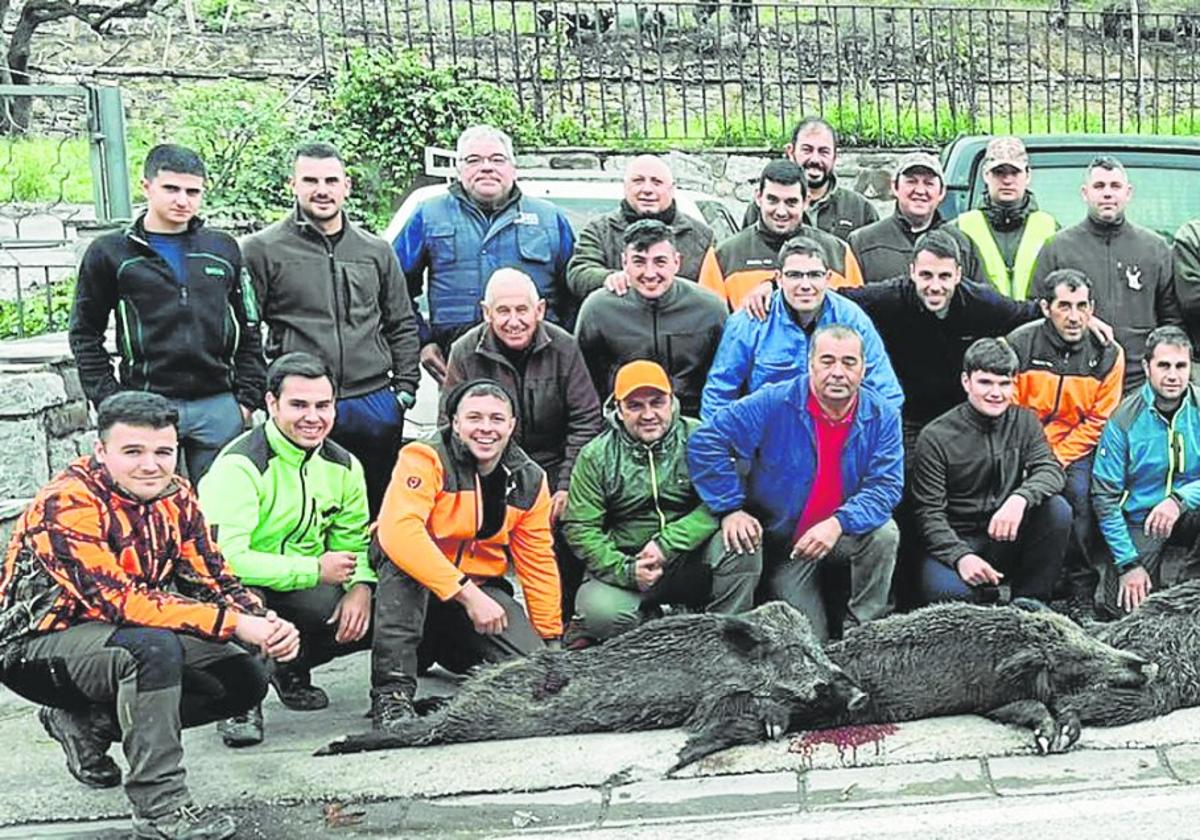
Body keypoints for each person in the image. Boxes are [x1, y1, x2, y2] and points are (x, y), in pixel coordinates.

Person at [0, 392, 299, 840]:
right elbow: (118, 601)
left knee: (245, 675)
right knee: (150, 649)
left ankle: (86, 723)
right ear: (102, 452)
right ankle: (160, 810)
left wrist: (264, 623)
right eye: (133, 452)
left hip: (121, 636)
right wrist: (235, 622)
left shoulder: (176, 494)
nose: (151, 465)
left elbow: (212, 577)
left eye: (163, 452)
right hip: (37, 646)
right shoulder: (66, 503)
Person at [198, 353, 375, 747]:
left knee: (374, 612)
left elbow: (355, 543)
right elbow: (225, 560)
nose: (312, 417)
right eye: (298, 405)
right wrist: (313, 569)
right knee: (244, 604)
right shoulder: (239, 466)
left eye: (322, 405)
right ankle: (239, 701)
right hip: (240, 584)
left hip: (301, 582)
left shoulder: (345, 466)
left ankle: (290, 667)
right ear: (271, 404)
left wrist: (361, 586)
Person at [689, 325, 903, 642]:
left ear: (863, 368)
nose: (838, 372)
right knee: (809, 643)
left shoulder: (882, 415)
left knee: (885, 532)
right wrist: (730, 507)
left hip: (841, 535)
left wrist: (838, 523)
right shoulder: (775, 402)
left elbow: (885, 487)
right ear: (810, 363)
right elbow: (705, 442)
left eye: (848, 362)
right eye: (827, 361)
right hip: (789, 546)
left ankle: (865, 632)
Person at [241, 141, 422, 516]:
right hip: (302, 400)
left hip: (371, 399)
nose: (321, 190)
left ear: (346, 186)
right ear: (292, 184)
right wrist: (263, 392)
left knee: (375, 507)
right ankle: (307, 572)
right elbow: (245, 329)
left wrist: (403, 390)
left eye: (330, 180)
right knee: (303, 505)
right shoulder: (262, 249)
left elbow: (401, 321)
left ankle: (369, 573)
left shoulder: (376, 251)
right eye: (310, 180)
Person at [369, 379, 562, 731]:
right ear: (455, 423)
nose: (485, 428)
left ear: (511, 426)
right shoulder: (424, 457)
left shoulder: (530, 478)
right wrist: (466, 593)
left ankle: (444, 651)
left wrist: (551, 641)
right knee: (402, 563)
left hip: (476, 590)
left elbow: (538, 561)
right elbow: (398, 532)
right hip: (413, 590)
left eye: (496, 419)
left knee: (536, 674)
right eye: (474, 418)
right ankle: (392, 695)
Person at [69, 144, 266, 483]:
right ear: (146, 187)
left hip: (218, 404)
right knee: (147, 511)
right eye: (171, 189)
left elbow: (249, 322)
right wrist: (110, 400)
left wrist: (246, 398)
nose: (182, 200)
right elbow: (85, 333)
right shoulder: (110, 253)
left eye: (193, 191)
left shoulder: (222, 248)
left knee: (220, 512)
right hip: (146, 403)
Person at [561, 361, 761, 642]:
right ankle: (657, 628)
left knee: (742, 540)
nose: (648, 414)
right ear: (618, 409)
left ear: (672, 401)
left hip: (692, 557)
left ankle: (726, 639)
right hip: (630, 560)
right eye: (635, 406)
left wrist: (667, 543)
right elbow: (580, 527)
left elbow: (721, 498)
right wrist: (626, 570)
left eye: (657, 402)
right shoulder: (595, 456)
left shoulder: (700, 437)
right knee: (601, 614)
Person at [441, 269, 604, 614]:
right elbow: (450, 426)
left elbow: (586, 418)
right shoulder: (464, 352)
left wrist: (566, 485)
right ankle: (471, 606)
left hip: (553, 463)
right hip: (486, 465)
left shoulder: (565, 347)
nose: (513, 321)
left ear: (540, 310)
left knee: (568, 523)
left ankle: (562, 615)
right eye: (502, 311)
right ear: (486, 312)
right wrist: (477, 483)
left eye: (522, 310)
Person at [394, 124, 576, 385]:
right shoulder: (428, 215)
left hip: (539, 368)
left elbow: (573, 292)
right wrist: (422, 342)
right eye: (474, 160)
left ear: (513, 168)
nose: (486, 167)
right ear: (459, 169)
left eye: (497, 159)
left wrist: (562, 347)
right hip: (458, 365)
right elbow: (393, 288)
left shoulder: (549, 218)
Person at [841, 229, 1040, 450]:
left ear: (958, 274)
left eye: (944, 276)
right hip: (906, 418)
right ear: (912, 272)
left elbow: (1032, 313)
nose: (935, 287)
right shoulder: (888, 299)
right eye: (926, 275)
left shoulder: (981, 303)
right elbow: (837, 301)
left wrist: (1083, 320)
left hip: (962, 416)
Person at [911, 338, 1070, 606]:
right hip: (958, 539)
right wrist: (960, 556)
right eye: (985, 382)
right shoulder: (935, 437)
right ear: (966, 382)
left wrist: (1019, 499)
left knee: (1057, 509)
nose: (996, 393)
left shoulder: (1025, 421)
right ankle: (983, 596)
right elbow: (928, 514)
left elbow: (1051, 470)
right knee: (947, 596)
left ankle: (1031, 604)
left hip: (1007, 534)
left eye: (1004, 383)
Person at [1008, 269, 1124, 612]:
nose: (1074, 317)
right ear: (1046, 308)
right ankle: (1023, 584)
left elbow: (1100, 419)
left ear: (1092, 308)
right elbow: (1009, 407)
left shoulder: (1107, 353)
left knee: (1078, 495)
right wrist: (1037, 456)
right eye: (1064, 306)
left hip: (1077, 447)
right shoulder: (1020, 343)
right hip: (1023, 445)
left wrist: (1058, 458)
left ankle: (1081, 590)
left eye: (1082, 306)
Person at [701, 235, 901, 421]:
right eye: (795, 275)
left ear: (828, 278)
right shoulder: (751, 320)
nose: (805, 285)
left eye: (814, 275)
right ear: (778, 279)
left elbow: (886, 392)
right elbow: (720, 392)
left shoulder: (852, 319)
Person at [1032, 155, 1182, 392]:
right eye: (1099, 186)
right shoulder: (1057, 248)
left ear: (1128, 193)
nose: (1108, 193)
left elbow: (1171, 320)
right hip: (1076, 379)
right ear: (1085, 193)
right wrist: (1083, 320)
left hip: (1138, 383)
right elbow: (1036, 311)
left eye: (1115, 186)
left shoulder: (1155, 249)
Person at [1092, 326, 1200, 616]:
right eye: (1164, 365)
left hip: (1190, 510)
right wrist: (1128, 563)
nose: (1173, 375)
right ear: (1146, 366)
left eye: (1181, 366)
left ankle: (1190, 587)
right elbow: (1104, 498)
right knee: (1125, 612)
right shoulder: (1124, 419)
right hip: (1142, 519)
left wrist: (1178, 500)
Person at [575, 219, 727, 417]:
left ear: (677, 262)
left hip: (692, 421)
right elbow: (583, 384)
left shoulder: (710, 309)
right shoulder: (598, 309)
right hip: (624, 422)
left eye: (660, 262)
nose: (650, 273)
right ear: (624, 263)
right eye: (639, 261)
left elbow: (726, 381)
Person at [699, 159, 863, 311]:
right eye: (773, 200)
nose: (781, 211)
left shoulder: (838, 253)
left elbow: (856, 318)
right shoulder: (724, 256)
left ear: (806, 201)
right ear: (758, 197)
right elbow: (710, 323)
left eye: (791, 202)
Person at [566, 154, 715, 299]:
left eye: (656, 182)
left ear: (671, 189)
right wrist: (608, 279)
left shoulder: (702, 236)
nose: (647, 189)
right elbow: (579, 272)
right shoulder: (599, 231)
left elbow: (714, 290)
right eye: (638, 181)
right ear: (625, 187)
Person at [848, 151, 980, 285]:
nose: (920, 191)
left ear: (941, 192)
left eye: (929, 183)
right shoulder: (863, 242)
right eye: (911, 182)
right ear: (895, 187)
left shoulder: (962, 244)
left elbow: (977, 301)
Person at [741, 116, 880, 240]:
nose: (815, 159)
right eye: (807, 150)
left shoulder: (859, 208)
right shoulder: (762, 209)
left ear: (835, 156)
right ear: (790, 152)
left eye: (823, 152)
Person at [953, 136, 1058, 300]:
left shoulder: (1051, 228)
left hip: (1036, 324)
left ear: (1028, 175)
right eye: (999, 173)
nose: (1007, 180)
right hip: (980, 325)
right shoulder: (960, 229)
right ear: (986, 175)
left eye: (1015, 172)